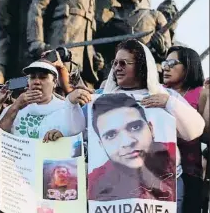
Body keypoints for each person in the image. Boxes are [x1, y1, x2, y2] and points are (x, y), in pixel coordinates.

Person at [98, 39, 205, 212]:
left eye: (124, 63)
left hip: (164, 190)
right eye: (115, 63)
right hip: (118, 191)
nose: (117, 68)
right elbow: (78, 130)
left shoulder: (164, 95)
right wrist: (71, 104)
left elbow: (195, 130)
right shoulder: (102, 99)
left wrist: (170, 103)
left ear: (141, 66)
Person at [88, 93, 176, 201]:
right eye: (111, 135)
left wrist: (170, 101)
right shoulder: (97, 181)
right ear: (101, 144)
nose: (128, 142)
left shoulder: (173, 158)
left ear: (151, 129)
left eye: (135, 127)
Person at [0, 60, 88, 148]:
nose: (36, 81)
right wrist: (15, 107)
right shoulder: (13, 109)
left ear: (55, 82)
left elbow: (78, 144)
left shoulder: (67, 109)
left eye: (43, 77)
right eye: (32, 77)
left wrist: (62, 140)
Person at [162, 46, 205, 212]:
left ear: (189, 66)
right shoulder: (157, 91)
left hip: (189, 172)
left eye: (172, 63)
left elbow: (206, 135)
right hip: (160, 173)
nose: (165, 67)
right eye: (165, 63)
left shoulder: (200, 93)